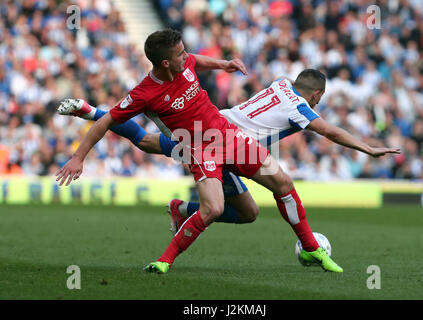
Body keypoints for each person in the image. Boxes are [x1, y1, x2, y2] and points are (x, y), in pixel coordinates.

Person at [56, 29, 394, 274]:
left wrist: (223, 64)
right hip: (198, 146)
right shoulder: (146, 92)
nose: (186, 56)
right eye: (180, 54)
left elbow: (195, 61)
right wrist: (78, 155)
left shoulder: (186, 64)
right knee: (200, 193)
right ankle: (165, 258)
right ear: (165, 62)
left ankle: (310, 249)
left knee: (265, 197)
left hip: (227, 133)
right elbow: (110, 121)